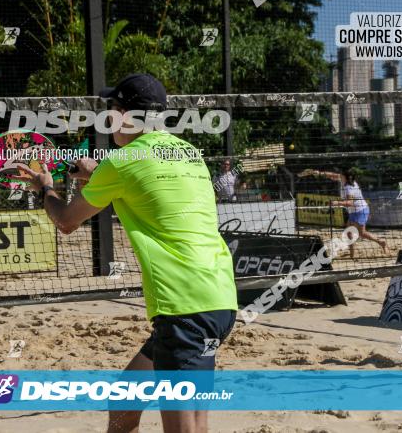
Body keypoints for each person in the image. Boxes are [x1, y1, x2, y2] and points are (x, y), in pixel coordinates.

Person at [15, 73, 238, 433]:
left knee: (187, 428)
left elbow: (67, 221)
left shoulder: (123, 162)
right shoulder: (188, 152)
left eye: (113, 111)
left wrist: (46, 189)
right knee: (125, 398)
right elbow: (146, 183)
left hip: (183, 306)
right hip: (219, 297)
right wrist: (96, 172)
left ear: (127, 116)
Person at [299, 167, 386, 257]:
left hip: (360, 210)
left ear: (345, 176)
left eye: (341, 174)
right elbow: (332, 175)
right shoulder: (345, 180)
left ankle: (381, 242)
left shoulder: (349, 188)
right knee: (349, 232)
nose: (339, 175)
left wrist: (336, 202)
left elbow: (350, 203)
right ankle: (353, 254)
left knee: (361, 233)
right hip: (354, 211)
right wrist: (319, 173)